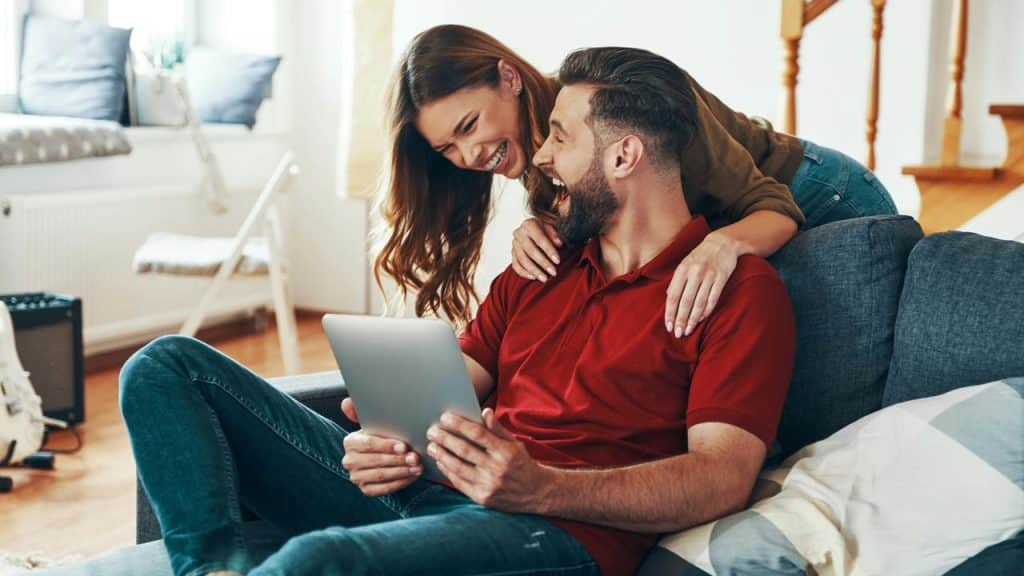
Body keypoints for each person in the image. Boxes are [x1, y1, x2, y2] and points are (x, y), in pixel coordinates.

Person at [118, 46, 796, 576]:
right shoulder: (541, 263)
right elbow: (455, 383)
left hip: (548, 528)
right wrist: (387, 440)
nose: (544, 158)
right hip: (433, 486)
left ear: (624, 155)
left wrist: (541, 488)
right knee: (164, 366)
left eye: (559, 137)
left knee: (318, 562)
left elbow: (721, 477)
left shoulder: (736, 291)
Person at [376, 24, 896, 338]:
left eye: (469, 127)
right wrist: (541, 230)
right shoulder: (542, 156)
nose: (469, 155)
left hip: (816, 194)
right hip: (739, 220)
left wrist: (721, 245)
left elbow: (768, 202)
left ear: (508, 78)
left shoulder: (625, 97)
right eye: (448, 149)